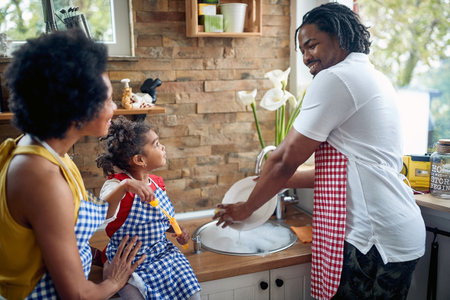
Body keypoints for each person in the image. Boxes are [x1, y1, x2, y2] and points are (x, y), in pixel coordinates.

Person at [214, 3, 425, 300]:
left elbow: (284, 160)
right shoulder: (370, 75)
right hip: (395, 232)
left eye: (311, 45)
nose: (305, 57)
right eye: (301, 50)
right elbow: (345, 170)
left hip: (373, 240)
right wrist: (279, 183)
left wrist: (247, 208)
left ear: (340, 37)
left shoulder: (336, 78)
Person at [0, 29, 155, 299]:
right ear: (76, 109)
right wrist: (115, 282)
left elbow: (75, 217)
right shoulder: (41, 178)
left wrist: (125, 185)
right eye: (107, 99)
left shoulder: (44, 150)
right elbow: (78, 295)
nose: (114, 108)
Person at [96, 116, 201, 300]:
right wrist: (126, 186)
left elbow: (158, 219)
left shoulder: (158, 184)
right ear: (139, 159)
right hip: (128, 260)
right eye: (157, 144)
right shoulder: (117, 184)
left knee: (192, 292)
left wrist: (175, 230)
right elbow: (104, 207)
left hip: (161, 252)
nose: (163, 147)